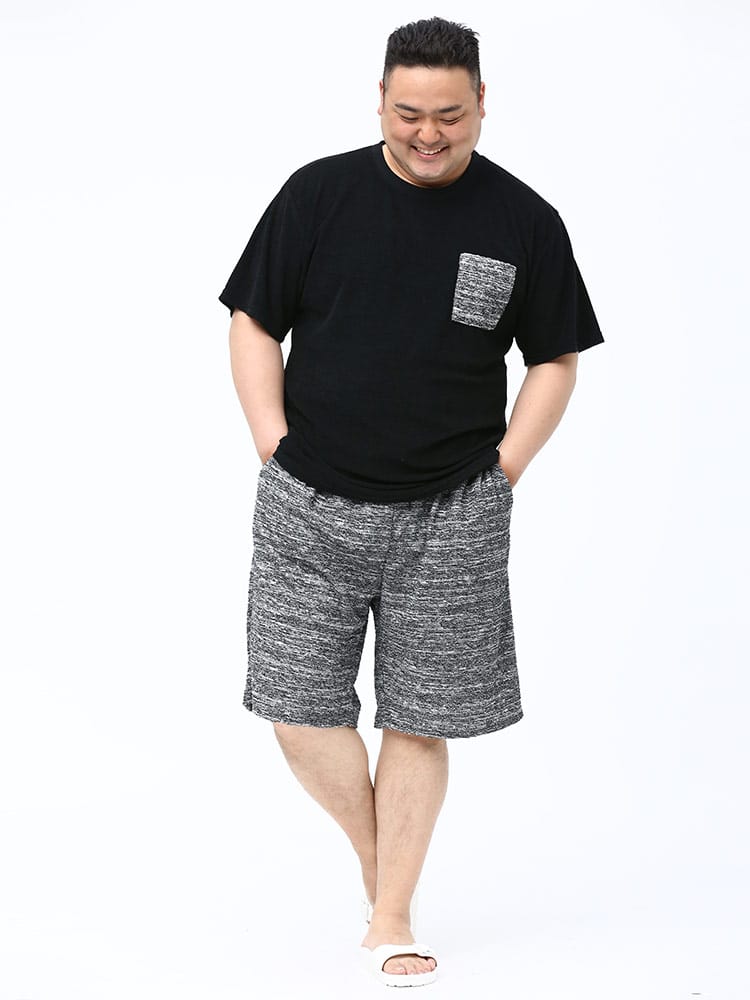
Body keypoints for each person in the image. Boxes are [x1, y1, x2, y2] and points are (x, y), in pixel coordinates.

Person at [218, 15, 604, 988]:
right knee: (297, 710)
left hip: (453, 510)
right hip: (309, 499)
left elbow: (555, 358)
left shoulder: (524, 220)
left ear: (482, 104)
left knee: (420, 718)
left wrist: (504, 470)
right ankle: (380, 866)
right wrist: (270, 439)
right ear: (380, 101)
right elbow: (253, 319)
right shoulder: (318, 195)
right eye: (408, 114)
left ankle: (389, 915)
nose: (428, 133)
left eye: (449, 115)